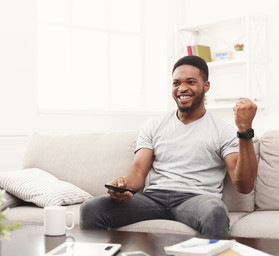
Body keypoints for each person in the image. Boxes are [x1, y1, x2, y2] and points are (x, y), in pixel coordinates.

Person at [80, 55, 258, 238]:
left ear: (206, 86)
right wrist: (123, 186)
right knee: (91, 208)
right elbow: (138, 172)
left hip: (196, 200)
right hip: (153, 198)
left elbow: (244, 185)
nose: (182, 88)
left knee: (215, 211)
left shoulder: (222, 131)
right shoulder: (154, 126)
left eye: (191, 82)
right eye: (176, 83)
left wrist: (245, 131)